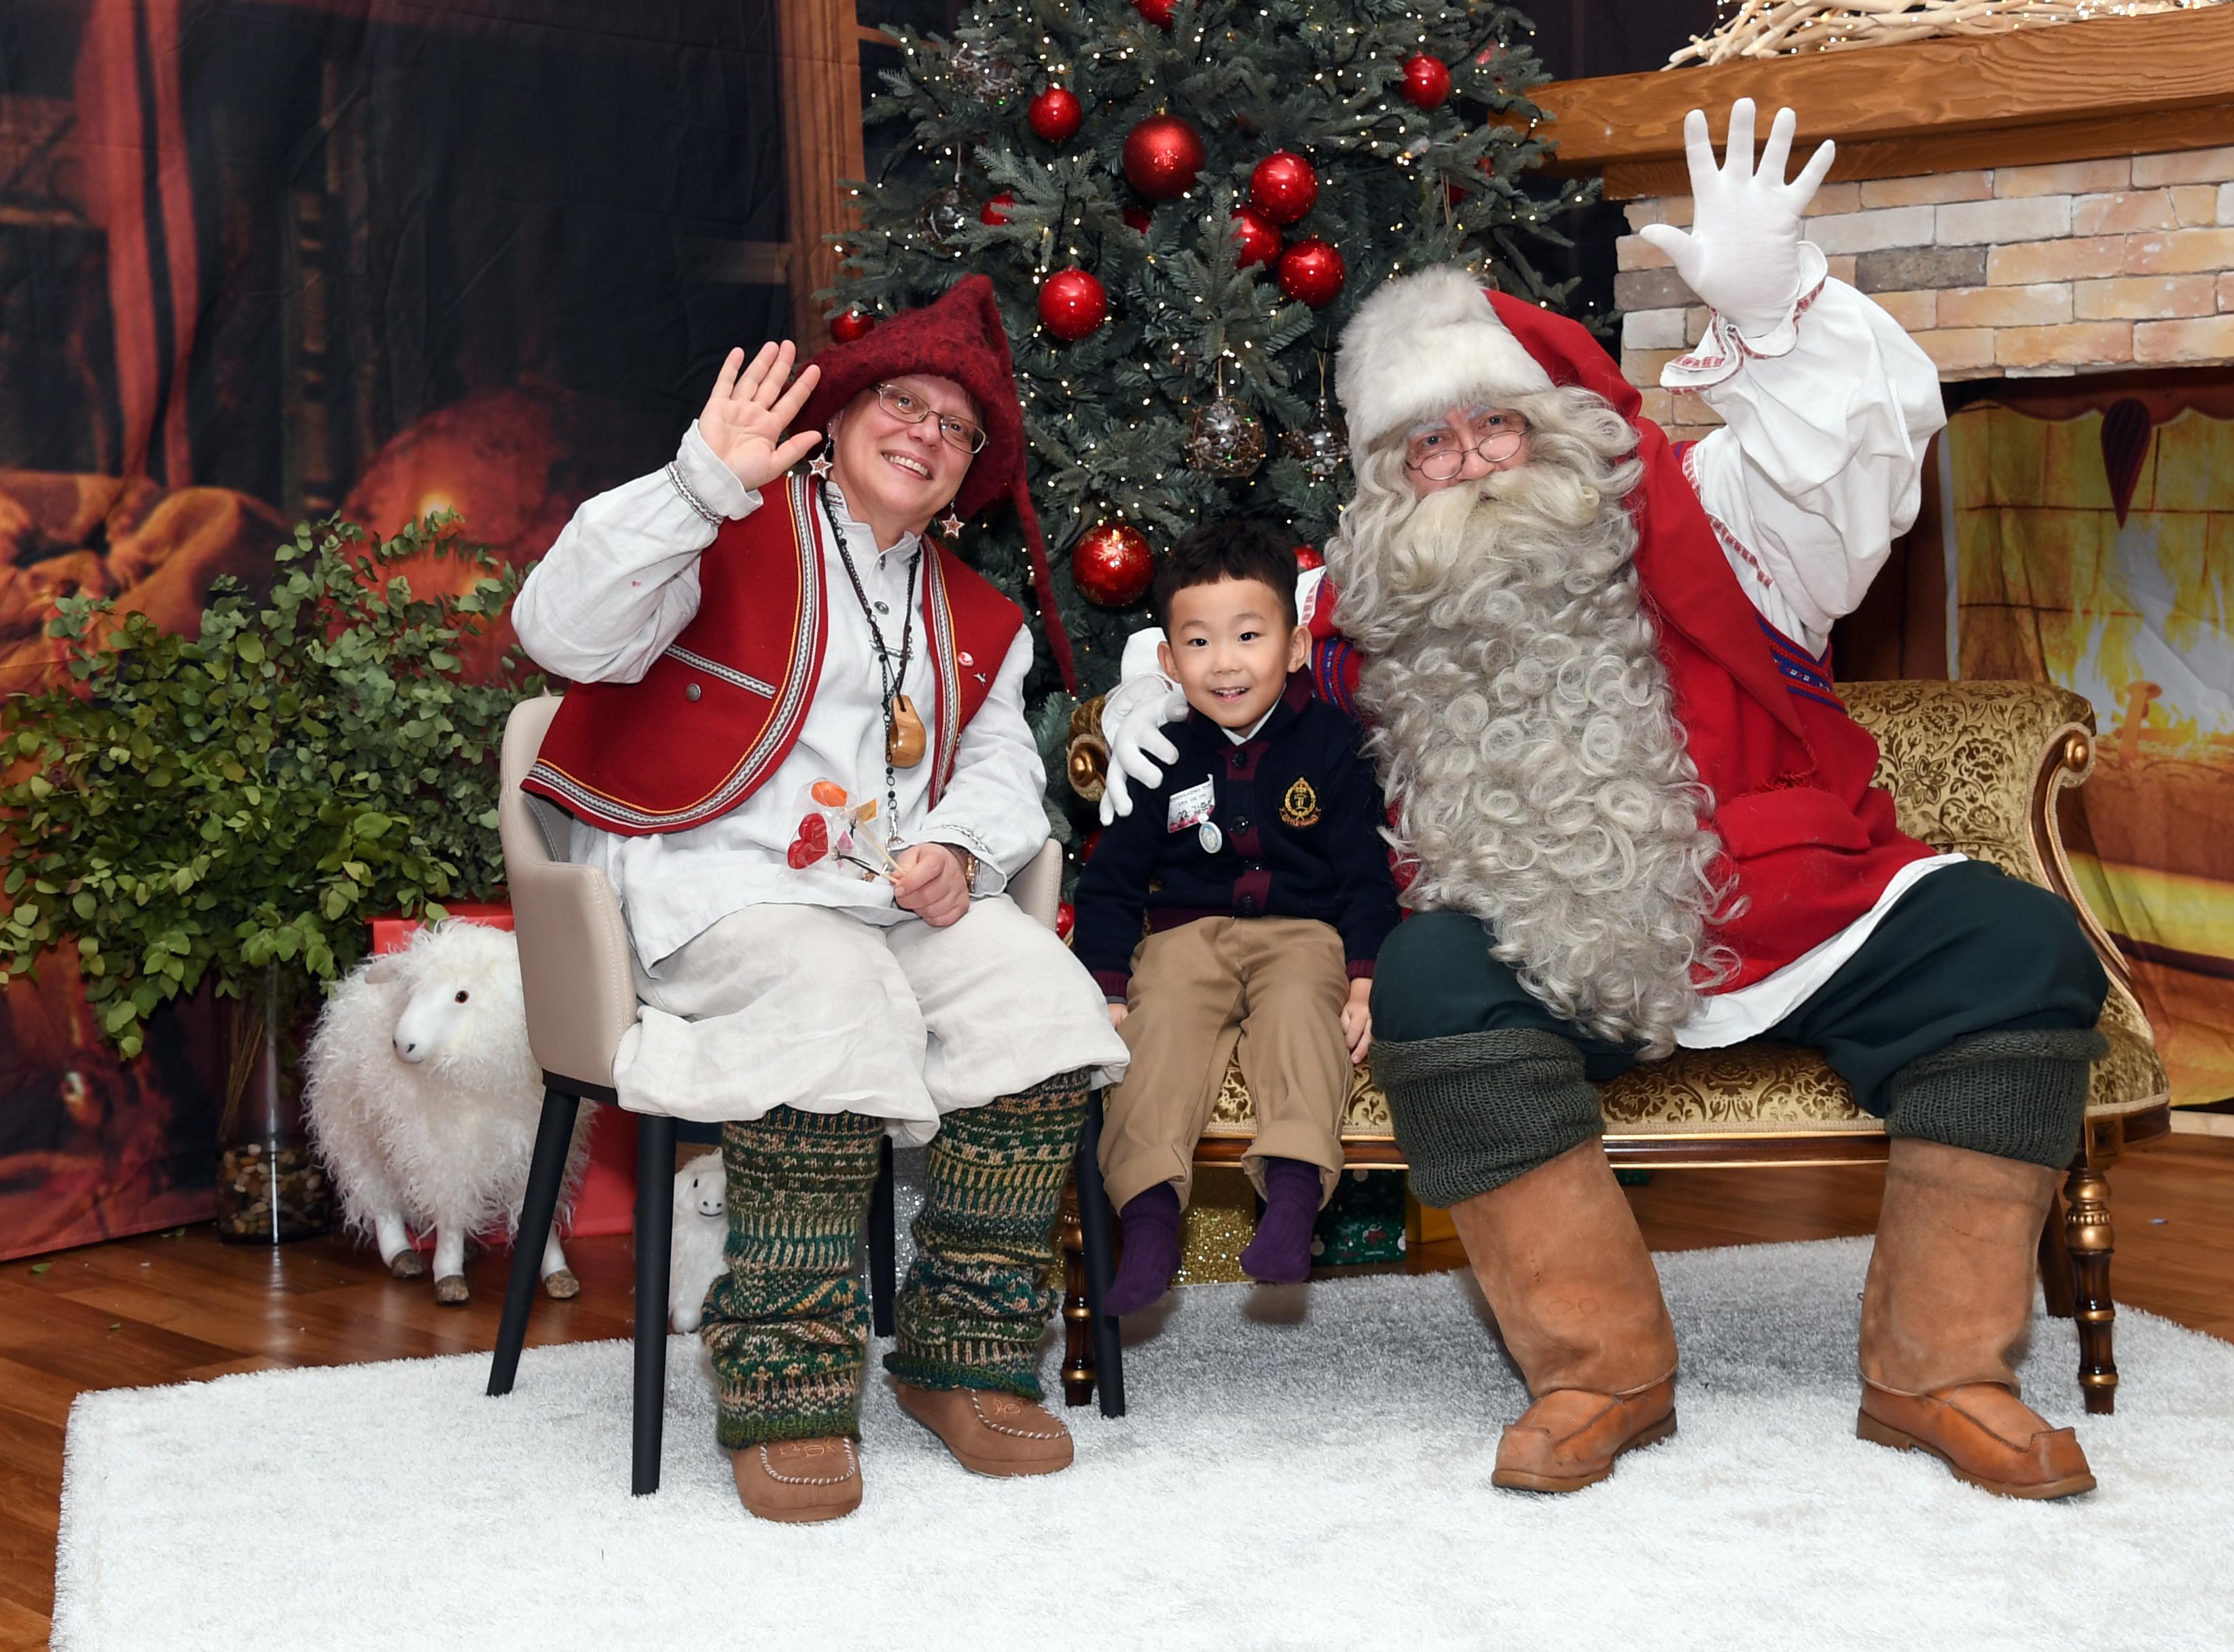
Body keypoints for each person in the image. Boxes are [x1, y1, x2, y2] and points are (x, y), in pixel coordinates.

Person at [1102, 102, 2110, 1501]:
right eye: (1429, 448)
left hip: (1772, 909)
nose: (1467, 465)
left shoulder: (1716, 526)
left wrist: (1779, 318)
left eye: (1494, 427)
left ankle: (1940, 1370)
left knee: (2019, 946)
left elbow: (1853, 472)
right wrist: (1147, 685)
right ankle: (1599, 1368)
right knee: (1437, 975)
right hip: (1533, 950)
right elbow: (1202, 653)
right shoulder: (1352, 610)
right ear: (1388, 485)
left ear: (1557, 432)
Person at [513, 276, 1127, 1524]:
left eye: (956, 429)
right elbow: (558, 632)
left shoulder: (977, 614)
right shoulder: (720, 522)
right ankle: (786, 1383)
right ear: (842, 416)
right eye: (902, 403)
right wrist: (697, 482)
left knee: (1045, 1008)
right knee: (830, 996)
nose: (926, 436)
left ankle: (959, 1359)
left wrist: (959, 840)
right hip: (718, 884)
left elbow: (1003, 760)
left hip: (893, 899)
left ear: (971, 471)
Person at [1072, 521, 1398, 1311]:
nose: (1225, 662)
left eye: (1249, 635)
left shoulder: (1330, 742)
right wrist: (1109, 987)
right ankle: (1148, 1216)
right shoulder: (1161, 751)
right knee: (1161, 1028)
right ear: (1169, 660)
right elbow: (1111, 883)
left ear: (1291, 647)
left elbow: (1365, 871)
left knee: (1299, 1015)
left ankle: (1290, 1199)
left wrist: (1364, 980)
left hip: (1302, 933)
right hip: (1186, 935)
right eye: (1199, 642)